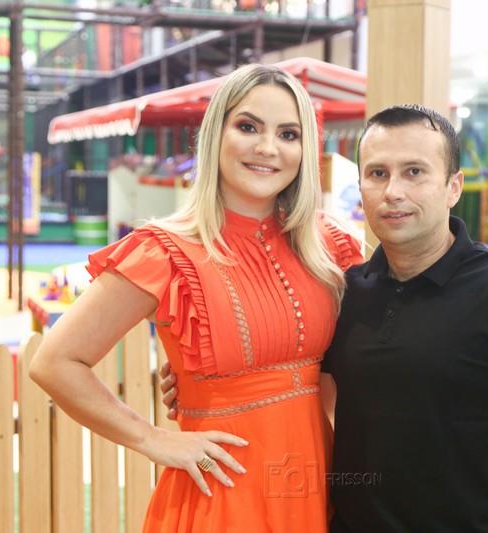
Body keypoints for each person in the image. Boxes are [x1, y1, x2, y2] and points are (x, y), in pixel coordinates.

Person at [161, 104, 488, 531]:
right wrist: (205, 379)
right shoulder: (344, 292)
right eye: (378, 173)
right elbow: (300, 382)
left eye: (414, 172)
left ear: (453, 187)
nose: (393, 191)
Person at [30, 64, 361, 532]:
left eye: (288, 134)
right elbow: (55, 361)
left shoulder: (329, 245)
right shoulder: (163, 251)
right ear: (215, 135)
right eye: (248, 127)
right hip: (224, 496)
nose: (268, 148)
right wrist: (151, 438)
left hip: (316, 485)